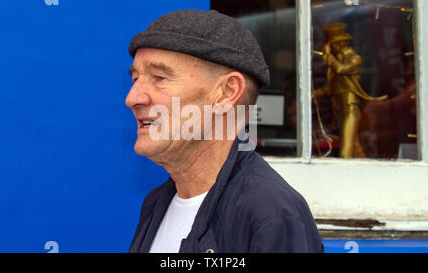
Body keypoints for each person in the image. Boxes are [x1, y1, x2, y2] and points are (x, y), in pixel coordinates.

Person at [126, 9, 323, 253]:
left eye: (159, 77)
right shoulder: (156, 203)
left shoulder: (269, 214)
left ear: (227, 93)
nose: (132, 98)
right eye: (135, 78)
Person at [313, 22, 387, 158]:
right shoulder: (336, 62)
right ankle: (365, 170)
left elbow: (341, 69)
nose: (328, 49)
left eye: (330, 45)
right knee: (355, 146)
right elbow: (330, 88)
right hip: (340, 109)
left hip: (350, 108)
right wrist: (314, 94)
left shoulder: (354, 59)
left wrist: (328, 56)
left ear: (340, 44)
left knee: (345, 151)